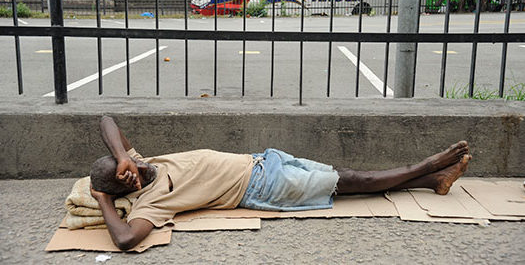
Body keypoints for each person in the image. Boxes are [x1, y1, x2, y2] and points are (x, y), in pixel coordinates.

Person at [90, 116, 471, 250]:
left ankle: (433, 180)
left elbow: (107, 120)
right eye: (129, 174)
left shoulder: (145, 161)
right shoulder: (150, 204)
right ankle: (428, 164)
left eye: (129, 161)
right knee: (353, 181)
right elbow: (125, 240)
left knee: (346, 178)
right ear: (130, 189)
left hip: (263, 160)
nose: (136, 166)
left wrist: (124, 156)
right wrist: (104, 199)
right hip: (263, 188)